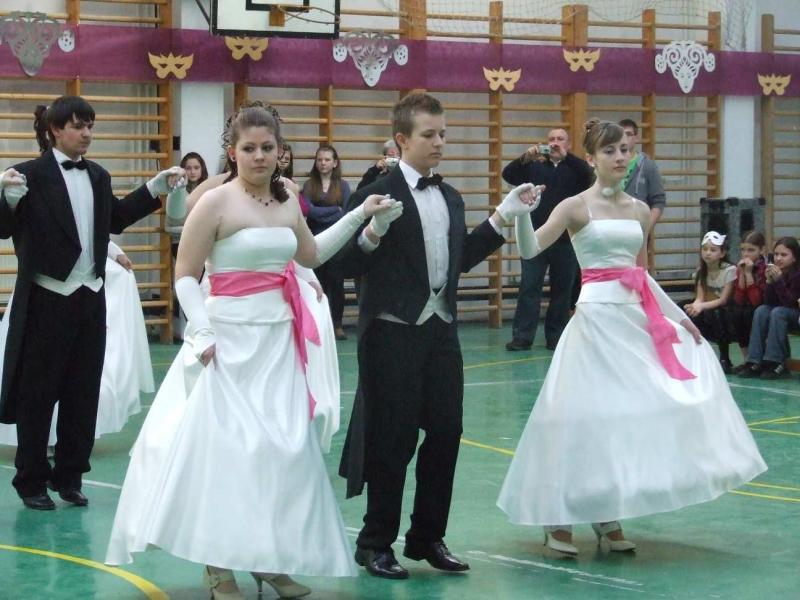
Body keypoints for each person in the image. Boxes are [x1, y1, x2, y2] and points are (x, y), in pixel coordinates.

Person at [105, 105, 402, 599]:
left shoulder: (287, 198)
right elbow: (185, 276)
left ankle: (267, 559)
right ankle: (218, 565)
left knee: (281, 454)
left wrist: (359, 215)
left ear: (280, 152)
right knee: (229, 456)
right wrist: (201, 332)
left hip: (278, 345)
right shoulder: (214, 202)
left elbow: (312, 255)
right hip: (226, 345)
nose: (259, 156)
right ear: (233, 152)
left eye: (268, 147)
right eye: (249, 148)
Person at [497, 119, 766, 557]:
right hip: (593, 323)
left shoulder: (640, 210)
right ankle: (558, 516)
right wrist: (523, 215)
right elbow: (529, 250)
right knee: (580, 420)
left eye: (625, 149)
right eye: (610, 151)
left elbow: (640, 276)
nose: (620, 157)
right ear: (591, 158)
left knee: (624, 417)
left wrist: (679, 317)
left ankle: (607, 512)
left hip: (631, 321)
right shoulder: (574, 206)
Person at [338, 93, 541, 580]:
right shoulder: (376, 192)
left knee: (447, 433)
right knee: (393, 440)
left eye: (443, 134)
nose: (439, 143)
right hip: (391, 337)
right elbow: (343, 263)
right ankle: (374, 543)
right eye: (429, 135)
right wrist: (371, 233)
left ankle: (427, 537)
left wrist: (503, 215)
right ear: (401, 139)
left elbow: (460, 258)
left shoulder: (450, 197)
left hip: (441, 333)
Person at [0, 96, 181, 511]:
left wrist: (154, 189)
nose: (87, 134)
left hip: (89, 300)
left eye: (90, 126)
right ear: (55, 130)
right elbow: (2, 229)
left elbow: (115, 219)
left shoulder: (98, 175)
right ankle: (31, 481)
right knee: (37, 396)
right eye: (78, 126)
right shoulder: (27, 175)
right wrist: (6, 199)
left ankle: (70, 476)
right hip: (45, 299)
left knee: (82, 394)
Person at [0, 241, 154, 446]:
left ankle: (64, 442)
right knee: (40, 375)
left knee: (75, 376)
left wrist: (114, 251)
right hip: (45, 288)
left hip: (80, 290)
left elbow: (88, 229)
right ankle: (39, 441)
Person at [502, 128, 593, 351]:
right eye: (551, 139)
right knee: (529, 288)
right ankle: (522, 337)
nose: (555, 143)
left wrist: (567, 157)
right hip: (536, 238)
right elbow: (508, 174)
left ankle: (556, 337)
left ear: (568, 144)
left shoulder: (575, 168)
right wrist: (525, 157)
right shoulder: (535, 166)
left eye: (560, 139)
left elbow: (589, 176)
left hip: (566, 240)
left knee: (563, 291)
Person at [303, 145, 352, 340]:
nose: (323, 163)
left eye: (327, 159)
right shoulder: (309, 185)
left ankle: (337, 324)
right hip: (315, 240)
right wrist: (333, 210)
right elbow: (309, 211)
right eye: (319, 160)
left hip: (337, 242)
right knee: (318, 283)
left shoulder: (343, 186)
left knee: (336, 283)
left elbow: (346, 214)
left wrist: (326, 213)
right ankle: (319, 324)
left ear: (335, 163)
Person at [738, 236, 800, 380]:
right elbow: (768, 302)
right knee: (762, 310)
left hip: (794, 314)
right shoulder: (774, 271)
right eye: (776, 254)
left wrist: (778, 282)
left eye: (784, 255)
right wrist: (770, 282)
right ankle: (754, 360)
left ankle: (775, 361)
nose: (778, 258)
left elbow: (790, 302)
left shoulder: (797, 275)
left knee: (778, 312)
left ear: (794, 258)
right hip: (781, 313)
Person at [679, 231, 736, 373]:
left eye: (713, 250)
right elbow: (700, 297)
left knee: (716, 313)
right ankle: (693, 353)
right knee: (683, 308)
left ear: (722, 253)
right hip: (708, 305)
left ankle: (724, 358)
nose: (707, 253)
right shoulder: (701, 271)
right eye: (704, 249)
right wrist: (694, 306)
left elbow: (723, 300)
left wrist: (700, 306)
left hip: (727, 310)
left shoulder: (729, 270)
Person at [168, 152, 209, 339]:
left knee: (204, 288)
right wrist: (192, 228)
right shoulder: (177, 191)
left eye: (196, 168)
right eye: (188, 168)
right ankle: (192, 329)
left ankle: (204, 328)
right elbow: (169, 226)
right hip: (182, 245)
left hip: (205, 246)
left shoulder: (209, 191)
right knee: (188, 288)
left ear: (202, 169)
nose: (192, 172)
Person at [619, 119, 666, 273]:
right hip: (614, 228)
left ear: (637, 138)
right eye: (620, 134)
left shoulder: (647, 165)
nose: (624, 138)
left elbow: (658, 201)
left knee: (636, 273)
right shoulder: (612, 163)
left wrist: (645, 227)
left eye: (628, 134)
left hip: (637, 231)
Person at [730, 231, 768, 371]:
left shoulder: (765, 268)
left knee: (749, 313)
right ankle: (747, 359)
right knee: (736, 312)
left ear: (762, 250)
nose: (745, 254)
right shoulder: (741, 267)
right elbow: (739, 298)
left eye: (751, 250)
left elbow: (756, 300)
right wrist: (742, 274)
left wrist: (748, 273)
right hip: (746, 307)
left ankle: (756, 359)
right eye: (743, 250)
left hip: (763, 306)